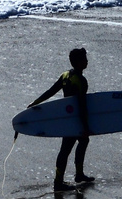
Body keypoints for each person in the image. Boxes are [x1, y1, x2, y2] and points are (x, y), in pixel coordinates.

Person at [28, 47, 94, 191]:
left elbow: (51, 91)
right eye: (85, 59)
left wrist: (36, 102)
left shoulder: (65, 75)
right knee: (67, 148)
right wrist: (85, 126)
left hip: (67, 118)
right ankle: (59, 182)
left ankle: (78, 175)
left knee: (80, 142)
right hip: (75, 121)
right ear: (79, 62)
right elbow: (81, 105)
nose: (87, 61)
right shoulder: (81, 81)